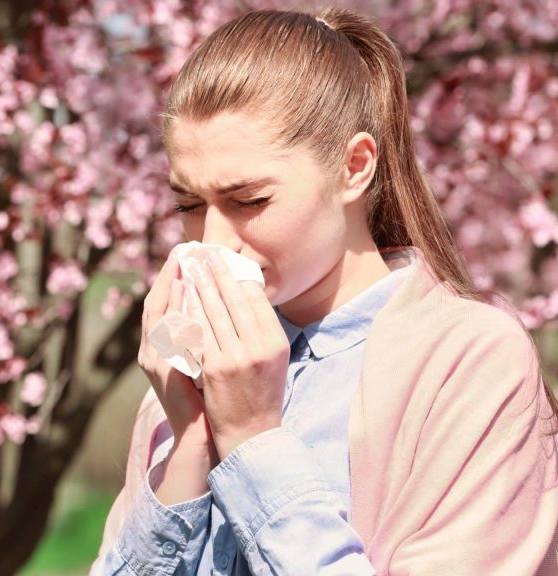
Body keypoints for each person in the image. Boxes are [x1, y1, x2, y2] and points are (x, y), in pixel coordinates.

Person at [92, 7, 558, 575]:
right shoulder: (185, 378)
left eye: (249, 201)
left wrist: (250, 438)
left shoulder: (466, 359)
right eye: (189, 206)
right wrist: (191, 440)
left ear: (354, 167)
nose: (213, 242)